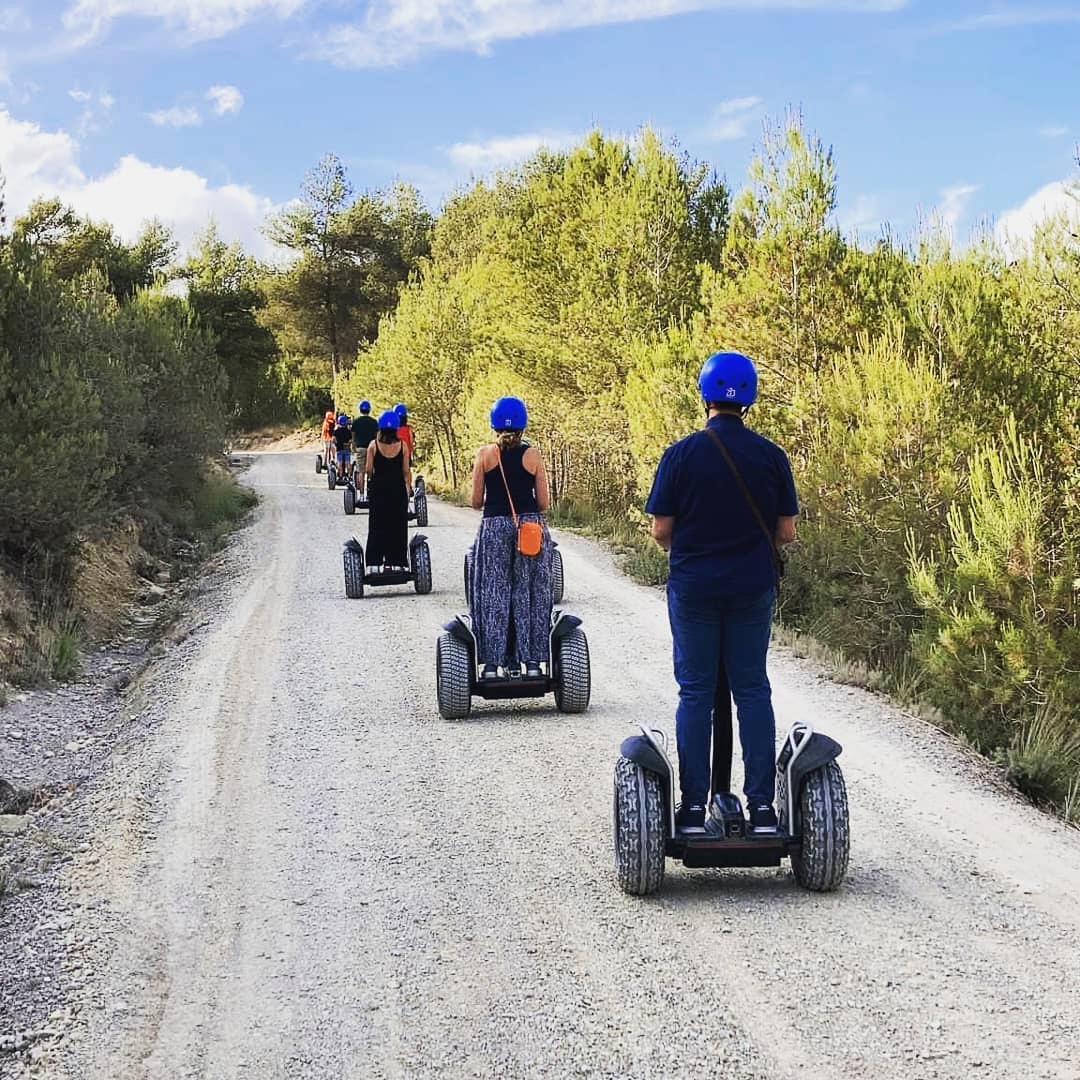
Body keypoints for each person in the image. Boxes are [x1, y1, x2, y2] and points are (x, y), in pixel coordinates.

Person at [645, 351, 798, 835]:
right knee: (751, 689)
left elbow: (659, 530)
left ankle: (691, 810)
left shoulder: (680, 455)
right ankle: (763, 811)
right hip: (751, 587)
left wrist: (691, 544)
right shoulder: (772, 457)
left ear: (704, 395)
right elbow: (787, 533)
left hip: (694, 588)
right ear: (749, 399)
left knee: (696, 692)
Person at [469, 396, 552, 680]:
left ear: (494, 424)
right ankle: (530, 662)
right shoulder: (534, 456)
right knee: (531, 592)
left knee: (494, 593)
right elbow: (543, 502)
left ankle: (492, 664)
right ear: (523, 425)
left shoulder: (484, 455)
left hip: (493, 527)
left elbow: (475, 501)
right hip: (528, 528)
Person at [365, 410, 412, 570]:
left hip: (379, 490)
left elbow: (369, 469)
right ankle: (397, 561)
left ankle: (375, 561)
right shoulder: (403, 446)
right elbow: (406, 471)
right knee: (397, 525)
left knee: (377, 525)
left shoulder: (374, 445)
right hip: (397, 489)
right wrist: (408, 488)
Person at [351, 400, 379, 492]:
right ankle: (370, 493)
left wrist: (354, 447)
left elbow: (353, 437)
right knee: (371, 472)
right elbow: (377, 437)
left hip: (360, 448)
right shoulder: (374, 422)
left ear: (360, 410)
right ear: (369, 410)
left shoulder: (356, 422)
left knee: (361, 472)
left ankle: (362, 494)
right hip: (372, 449)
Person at [332, 412, 353, 477]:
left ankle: (340, 476)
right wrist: (348, 444)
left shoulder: (336, 431)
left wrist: (336, 443)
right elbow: (350, 440)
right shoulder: (348, 431)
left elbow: (333, 440)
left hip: (339, 448)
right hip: (346, 449)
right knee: (348, 463)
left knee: (339, 463)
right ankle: (349, 476)